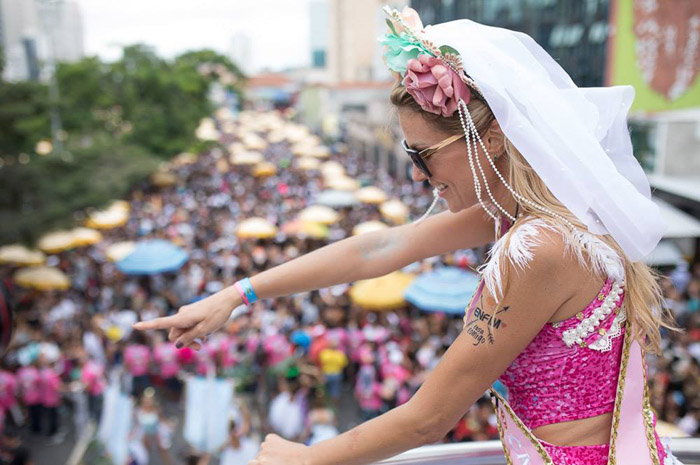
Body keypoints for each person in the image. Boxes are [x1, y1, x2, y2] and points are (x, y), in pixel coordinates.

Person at [134, 6, 682, 465]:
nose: (418, 175)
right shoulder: (548, 214)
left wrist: (303, 458)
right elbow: (380, 247)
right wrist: (239, 293)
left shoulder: (535, 246)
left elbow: (430, 418)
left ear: (488, 138)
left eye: (421, 155)